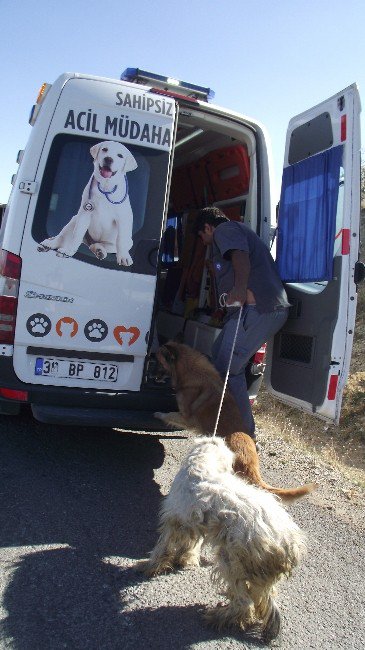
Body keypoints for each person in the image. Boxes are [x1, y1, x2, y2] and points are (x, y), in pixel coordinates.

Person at [195, 206, 290, 443]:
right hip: (254, 312)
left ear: (208, 227)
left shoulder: (225, 230)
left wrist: (238, 293)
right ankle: (226, 424)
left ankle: (245, 437)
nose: (203, 241)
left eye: (201, 235)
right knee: (218, 355)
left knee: (228, 369)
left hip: (258, 310)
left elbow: (240, 257)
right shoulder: (231, 233)